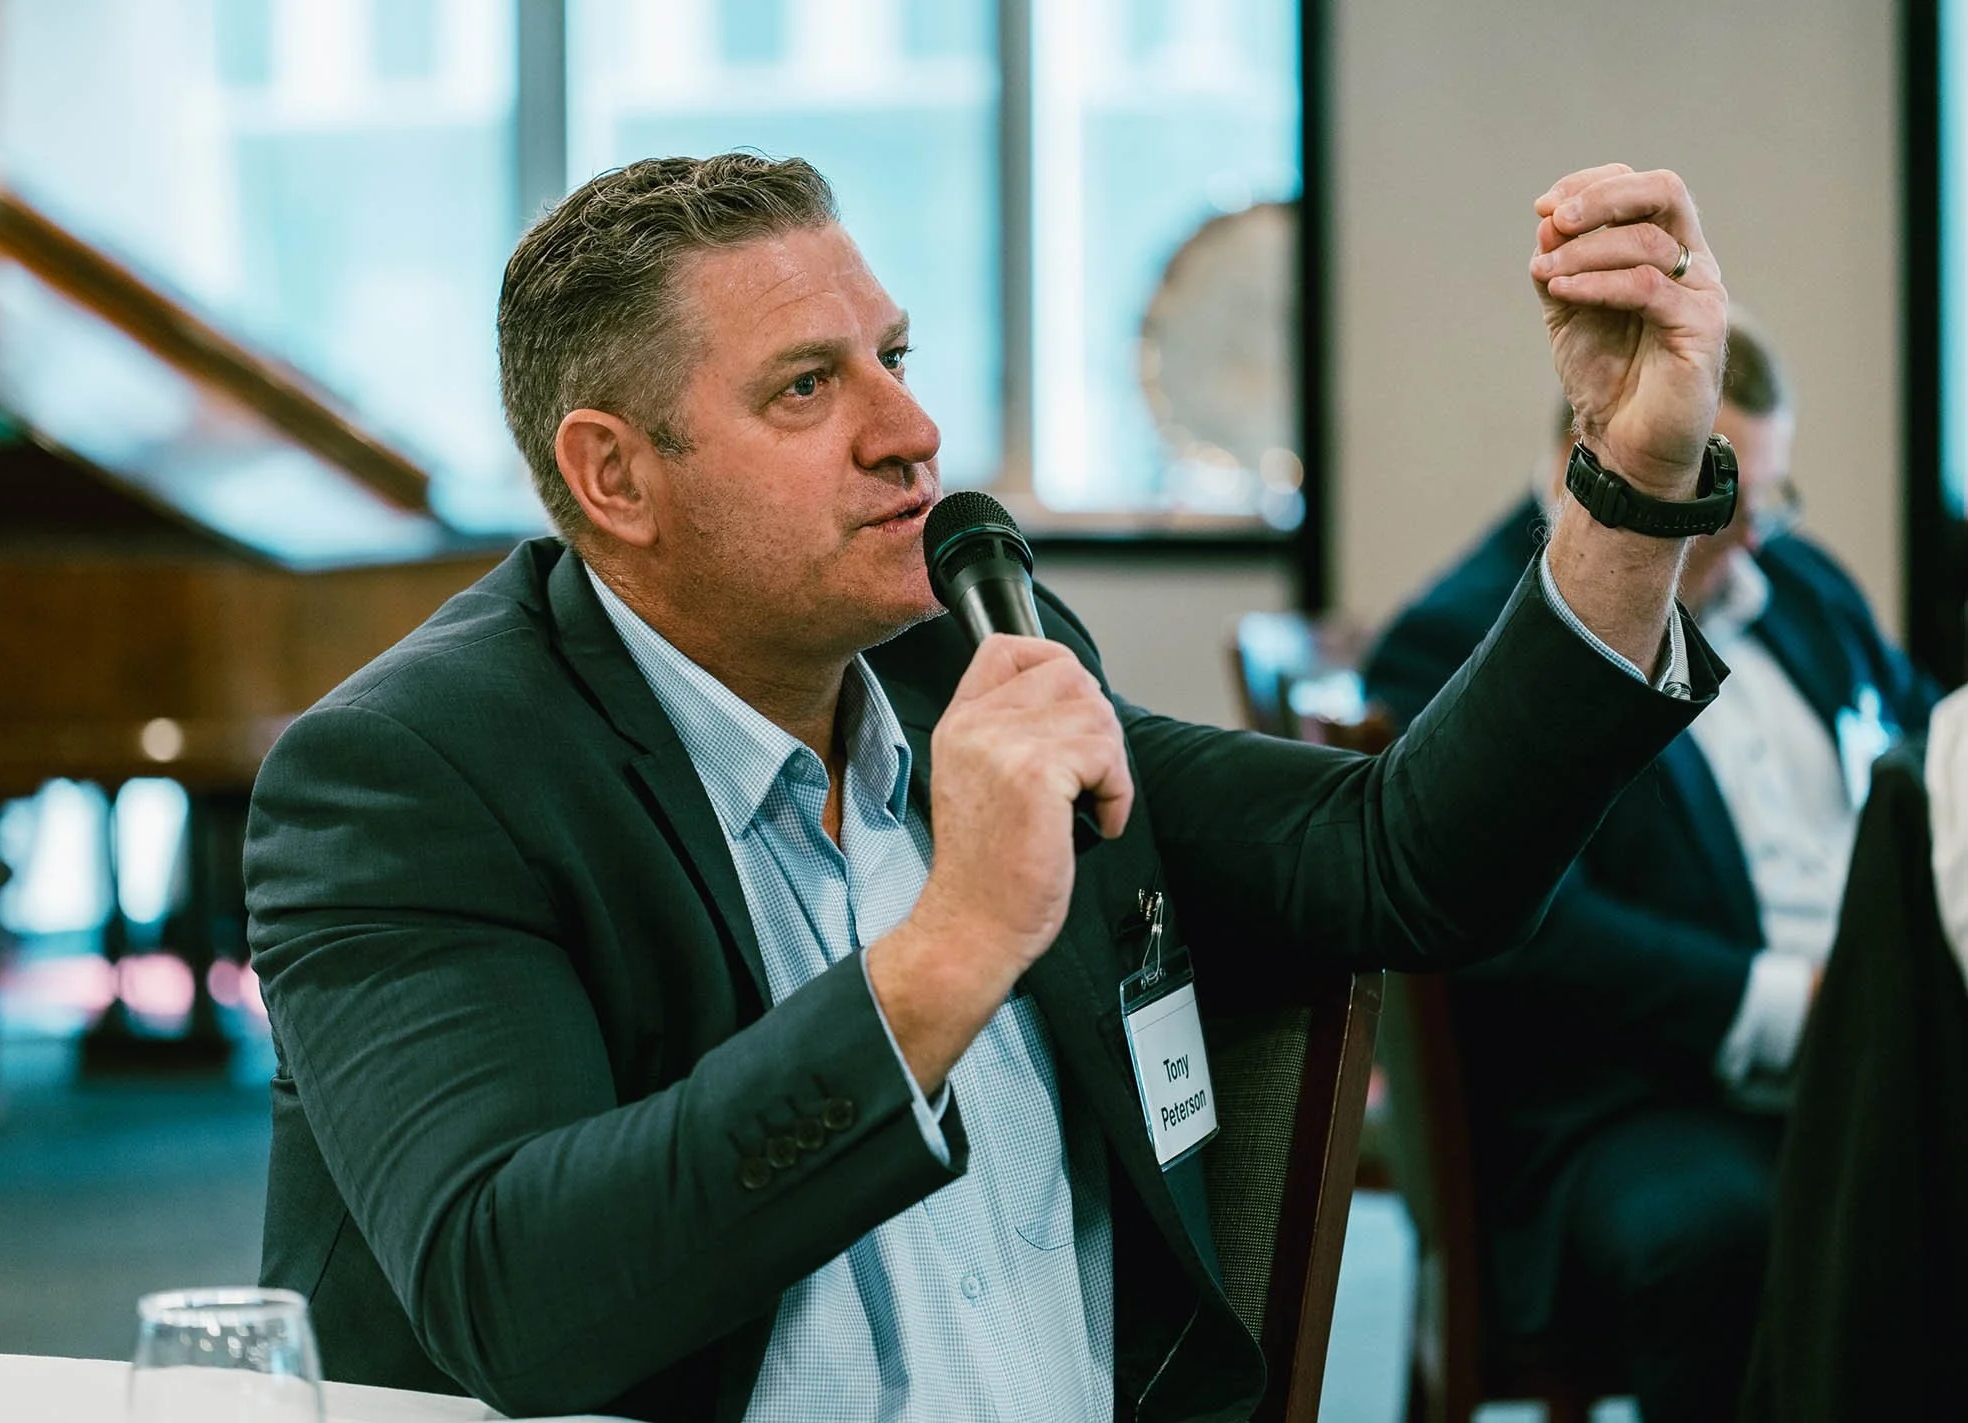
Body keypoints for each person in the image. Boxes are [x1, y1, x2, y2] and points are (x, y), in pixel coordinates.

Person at [246, 153, 1730, 1422]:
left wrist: (1635, 483)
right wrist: (950, 946)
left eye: (891, 358)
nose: (908, 431)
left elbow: (1400, 857)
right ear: (615, 477)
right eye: (806, 387)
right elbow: (518, 1297)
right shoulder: (411, 779)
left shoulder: (960, 661)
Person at [1362, 317, 1939, 1422]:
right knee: (1746, 1227)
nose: (1761, 532)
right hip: (1623, 1100)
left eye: (1776, 494)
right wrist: (1795, 1008)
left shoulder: (1801, 585)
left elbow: (1923, 759)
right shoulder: (1457, 638)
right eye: (1728, 494)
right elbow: (1528, 931)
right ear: (1612, 458)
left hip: (1863, 1047)